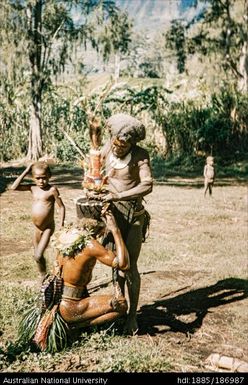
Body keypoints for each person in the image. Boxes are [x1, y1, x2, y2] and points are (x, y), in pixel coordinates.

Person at [30, 205, 130, 351]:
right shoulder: (90, 244)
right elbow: (124, 264)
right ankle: (74, 326)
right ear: (102, 225)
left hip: (57, 302)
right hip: (71, 307)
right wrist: (116, 230)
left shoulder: (66, 235)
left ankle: (72, 323)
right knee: (121, 305)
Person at [99, 113, 153, 335]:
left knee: (129, 267)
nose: (118, 149)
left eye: (124, 146)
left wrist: (120, 196)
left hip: (133, 216)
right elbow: (94, 173)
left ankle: (132, 317)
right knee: (114, 261)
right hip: (110, 214)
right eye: (116, 144)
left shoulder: (140, 155)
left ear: (132, 143)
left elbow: (147, 184)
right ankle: (119, 306)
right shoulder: (105, 149)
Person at [10, 162, 65, 278]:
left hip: (47, 228)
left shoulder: (52, 190)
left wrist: (61, 225)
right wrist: (26, 171)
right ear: (33, 178)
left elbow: (61, 207)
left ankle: (44, 276)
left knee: (38, 255)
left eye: (44, 178)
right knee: (37, 256)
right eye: (38, 178)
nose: (41, 181)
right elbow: (13, 187)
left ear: (49, 176)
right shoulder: (33, 188)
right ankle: (43, 276)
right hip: (36, 228)